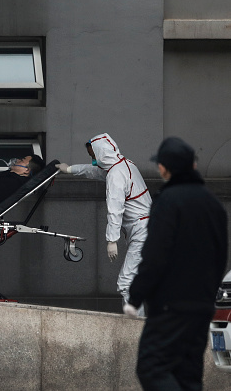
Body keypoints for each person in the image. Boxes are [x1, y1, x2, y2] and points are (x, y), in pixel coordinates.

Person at [124, 137, 228, 391]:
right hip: (202, 306)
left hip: (170, 305)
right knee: (188, 376)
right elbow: (221, 256)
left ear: (164, 168)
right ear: (192, 165)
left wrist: (135, 296)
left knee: (151, 367)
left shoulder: (168, 201)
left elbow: (155, 255)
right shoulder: (213, 204)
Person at [55, 133, 152, 313]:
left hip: (143, 231)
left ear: (101, 153)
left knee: (127, 283)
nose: (92, 159)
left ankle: (135, 330)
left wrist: (112, 240)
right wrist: (70, 169)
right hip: (148, 228)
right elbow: (94, 171)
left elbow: (115, 209)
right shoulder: (123, 165)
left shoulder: (115, 175)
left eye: (93, 156)